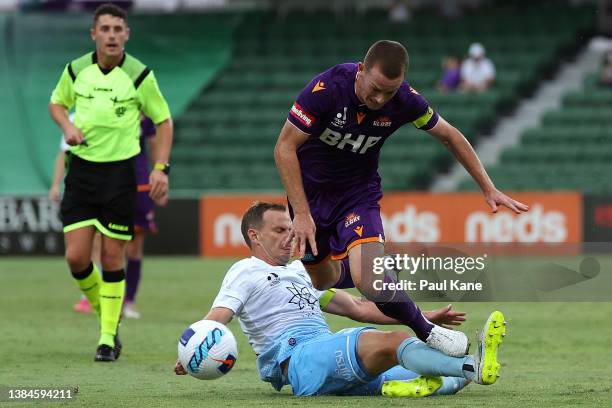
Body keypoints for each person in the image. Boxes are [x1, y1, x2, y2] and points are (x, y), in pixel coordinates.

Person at [274, 40, 526, 357]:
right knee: (324, 281)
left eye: (389, 93)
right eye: (376, 89)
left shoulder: (405, 100)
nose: (380, 99)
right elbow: (284, 148)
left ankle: (426, 330)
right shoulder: (326, 89)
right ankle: (379, 266)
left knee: (371, 282)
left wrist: (488, 187)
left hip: (358, 194)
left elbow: (450, 135)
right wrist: (301, 213)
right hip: (310, 199)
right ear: (361, 71)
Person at [173, 203, 507, 397]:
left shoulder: (305, 272)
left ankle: (445, 376)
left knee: (448, 380)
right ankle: (474, 366)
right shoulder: (246, 271)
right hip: (297, 359)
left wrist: (422, 316)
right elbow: (219, 315)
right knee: (395, 344)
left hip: (327, 355)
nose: (290, 235)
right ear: (254, 235)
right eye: (279, 230)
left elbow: (359, 308)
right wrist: (193, 350)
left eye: (290, 228)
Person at [48, 3, 173, 362]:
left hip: (121, 175)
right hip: (82, 172)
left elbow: (163, 121)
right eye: (105, 29)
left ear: (127, 34)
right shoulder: (76, 70)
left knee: (112, 253)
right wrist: (68, 127)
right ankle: (109, 312)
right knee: (75, 257)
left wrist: (160, 167)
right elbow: (56, 104)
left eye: (118, 29)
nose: (112, 35)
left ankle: (107, 337)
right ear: (94, 34)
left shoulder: (139, 75)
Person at [123, 115, 168, 319]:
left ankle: (129, 301)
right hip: (112, 182)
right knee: (110, 245)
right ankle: (109, 299)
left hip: (140, 185)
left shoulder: (145, 115)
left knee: (134, 247)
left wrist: (160, 179)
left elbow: (154, 147)